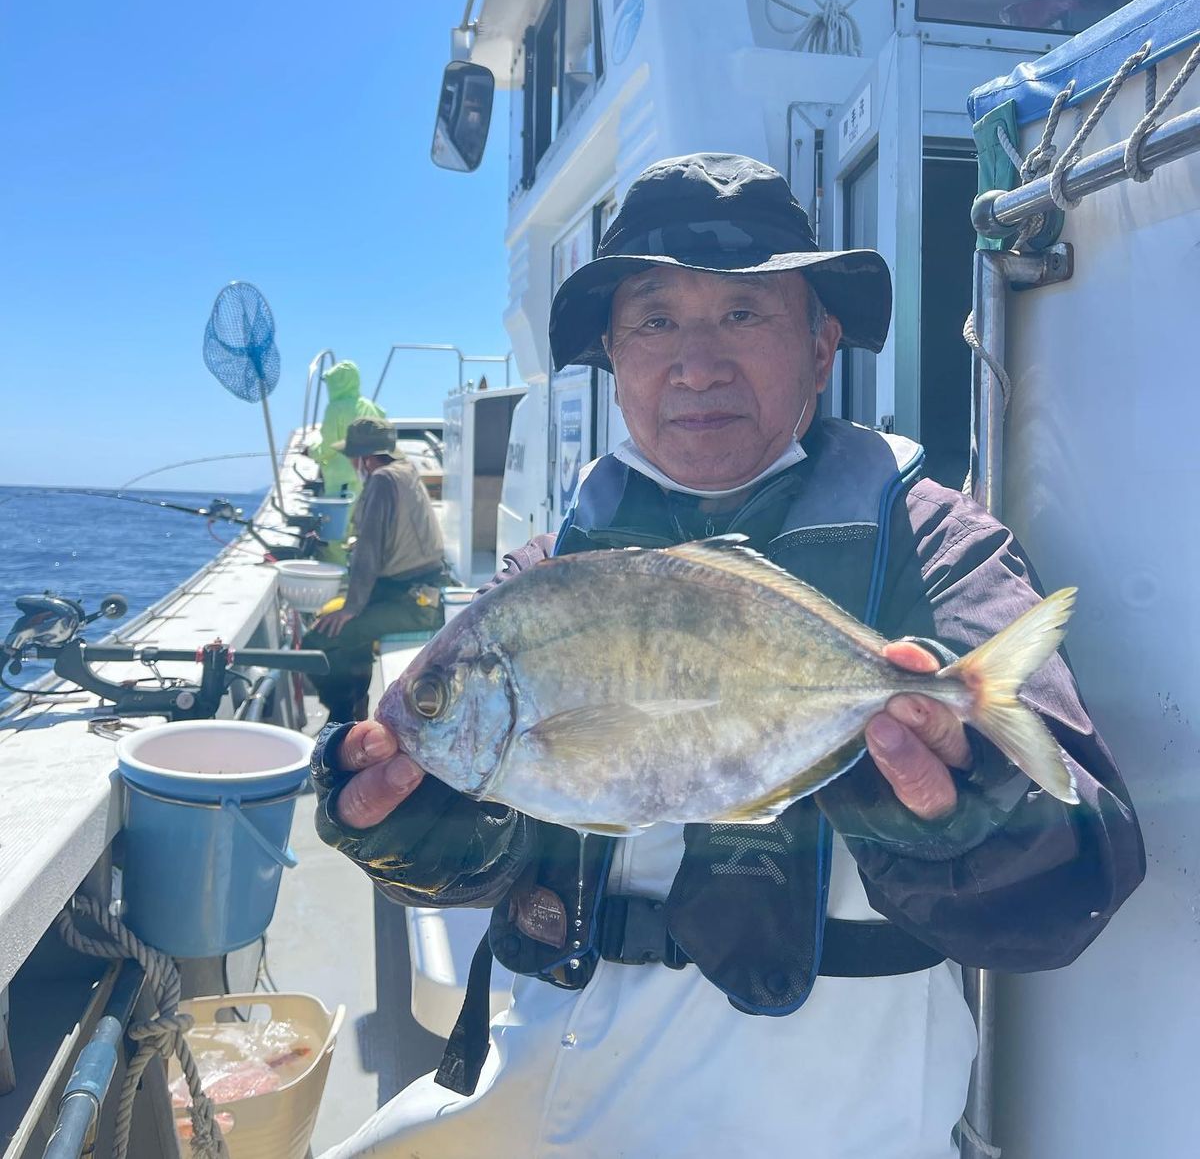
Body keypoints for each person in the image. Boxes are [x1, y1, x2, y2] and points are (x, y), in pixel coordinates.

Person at [310, 155, 1144, 1158]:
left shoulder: (932, 549)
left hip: (827, 1127)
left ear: (822, 342)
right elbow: (480, 840)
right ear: (615, 354)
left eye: (744, 315)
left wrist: (960, 805)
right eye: (656, 320)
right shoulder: (550, 571)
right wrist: (407, 810)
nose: (696, 363)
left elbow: (1071, 884)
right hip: (543, 1094)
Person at [306, 418, 446, 725]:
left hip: (415, 604)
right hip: (417, 590)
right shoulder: (405, 471)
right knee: (346, 631)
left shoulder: (381, 480)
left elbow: (369, 551)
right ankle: (355, 710)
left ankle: (340, 716)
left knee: (319, 638)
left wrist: (351, 608)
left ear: (365, 459)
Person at [309, 360, 387, 500]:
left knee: (343, 520)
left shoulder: (335, 409)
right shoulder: (370, 406)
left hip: (343, 482)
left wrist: (311, 451)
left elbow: (329, 446)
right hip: (369, 478)